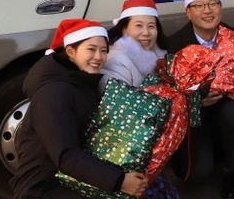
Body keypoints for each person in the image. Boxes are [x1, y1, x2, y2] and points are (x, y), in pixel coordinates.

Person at [12, 19, 148, 199]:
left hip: (73, 182)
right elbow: (66, 155)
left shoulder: (81, 84)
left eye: (104, 51)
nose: (98, 57)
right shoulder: (54, 92)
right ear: (71, 51)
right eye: (91, 49)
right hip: (43, 189)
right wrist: (120, 181)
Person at [167, 0, 234, 198]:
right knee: (198, 172)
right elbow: (169, 94)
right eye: (199, 5)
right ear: (188, 12)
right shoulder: (174, 45)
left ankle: (232, 171)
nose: (207, 11)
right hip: (195, 118)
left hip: (230, 112)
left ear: (220, 8)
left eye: (213, 4)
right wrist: (197, 102)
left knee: (233, 113)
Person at [100, 0, 167, 91]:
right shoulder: (116, 60)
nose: (146, 33)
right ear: (124, 28)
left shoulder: (161, 57)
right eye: (139, 25)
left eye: (151, 26)